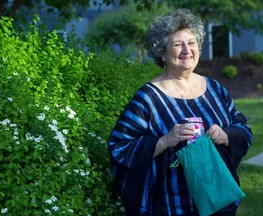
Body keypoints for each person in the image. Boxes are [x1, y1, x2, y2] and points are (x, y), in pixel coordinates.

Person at [108, 8, 253, 216]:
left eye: (191, 43)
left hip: (218, 201)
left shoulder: (214, 89)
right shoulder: (148, 98)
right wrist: (165, 140)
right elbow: (119, 145)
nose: (187, 50)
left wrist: (226, 136)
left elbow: (243, 127)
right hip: (173, 206)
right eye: (177, 44)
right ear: (162, 53)